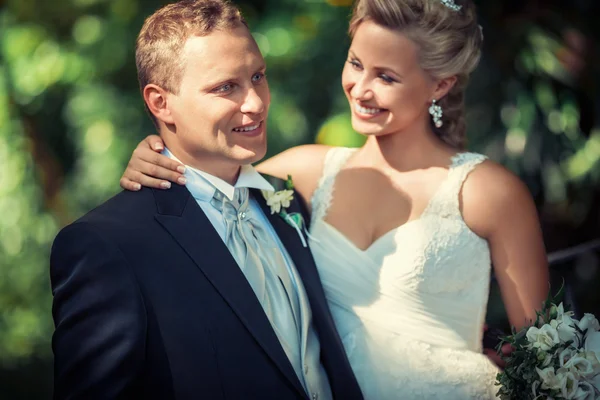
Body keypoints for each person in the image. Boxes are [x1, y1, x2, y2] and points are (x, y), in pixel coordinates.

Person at [121, 0, 550, 398]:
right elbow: (206, 176)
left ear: (440, 85)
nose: (361, 89)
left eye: (386, 76)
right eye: (356, 64)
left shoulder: (488, 191)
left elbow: (547, 352)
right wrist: (153, 151)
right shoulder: (303, 173)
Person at [50, 1, 363, 399]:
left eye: (258, 76)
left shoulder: (287, 201)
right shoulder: (109, 245)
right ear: (161, 102)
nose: (256, 103)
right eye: (225, 87)